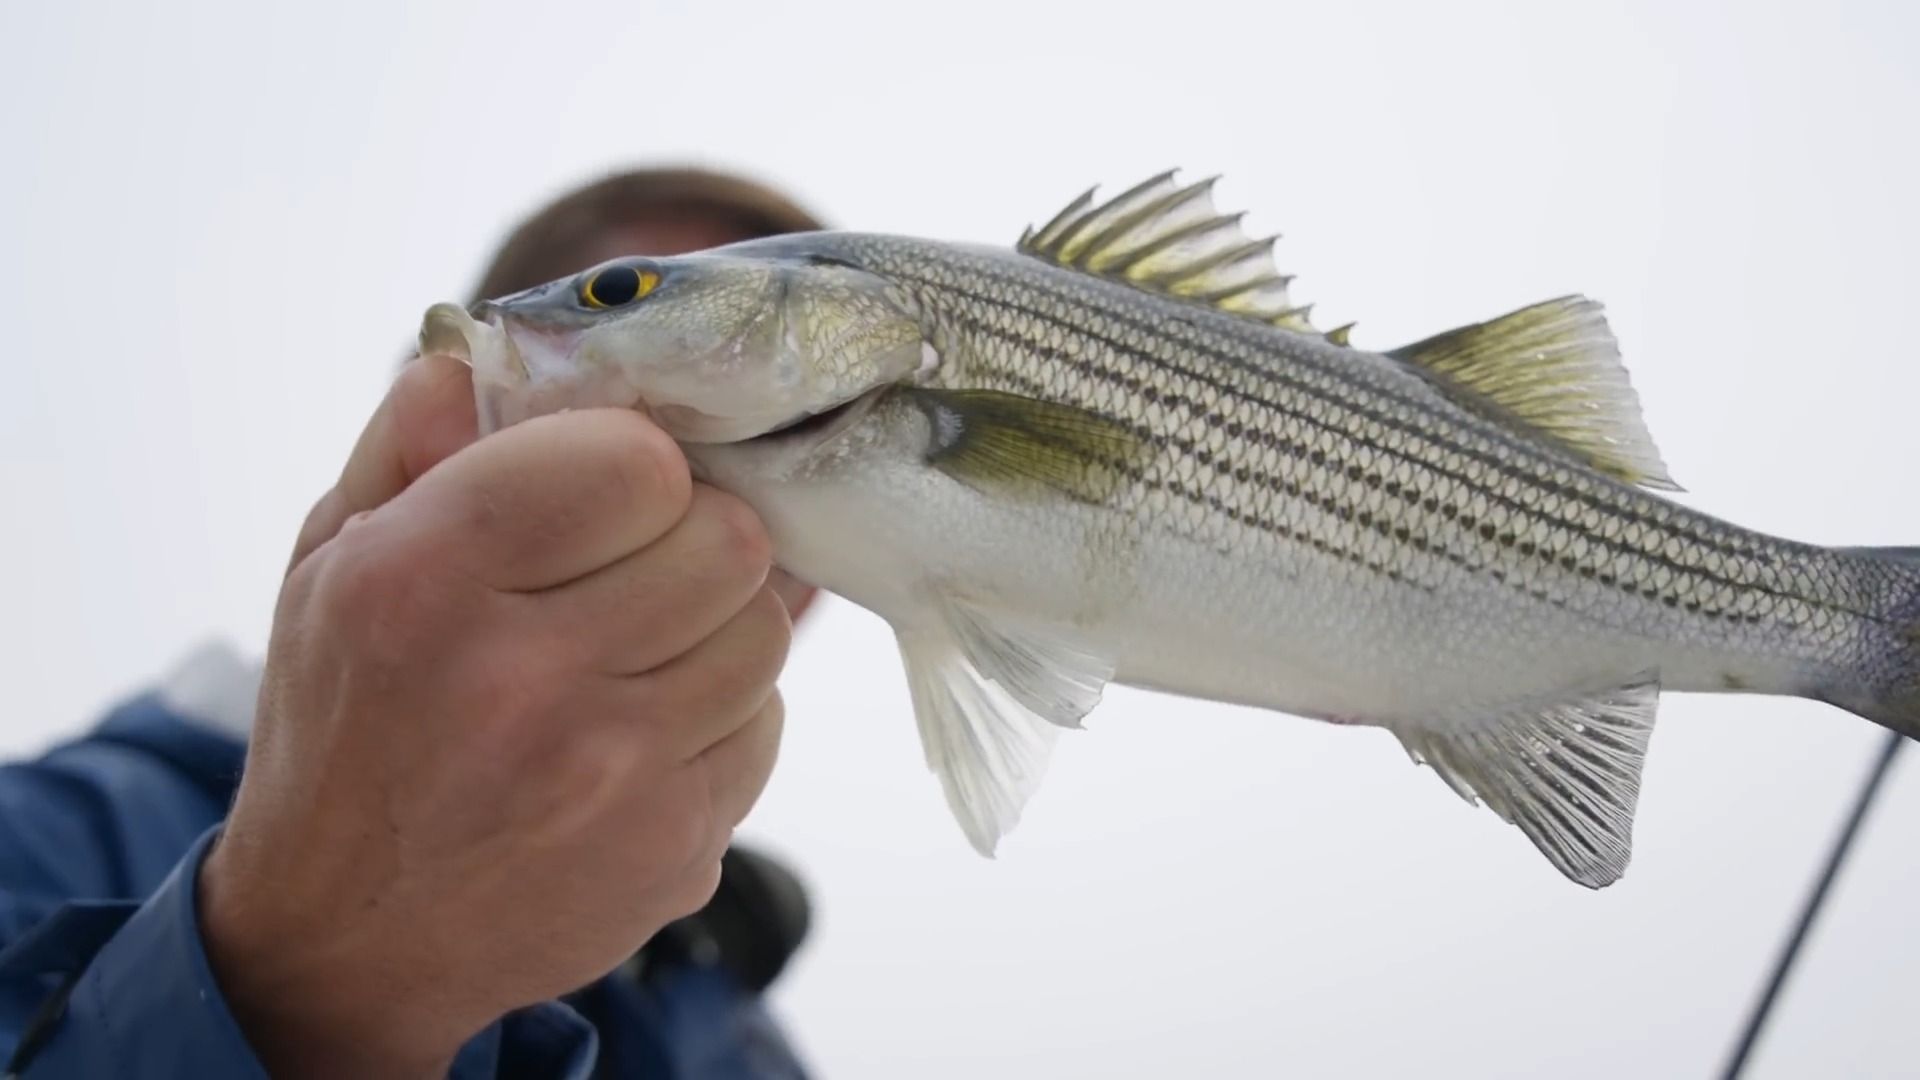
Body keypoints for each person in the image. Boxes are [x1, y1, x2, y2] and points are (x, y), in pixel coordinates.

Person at [0, 166, 830, 1078]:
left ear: (812, 589)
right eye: (649, 408)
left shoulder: (746, 1052)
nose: (679, 491)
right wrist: (310, 982)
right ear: (435, 410)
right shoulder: (36, 840)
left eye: (786, 435)